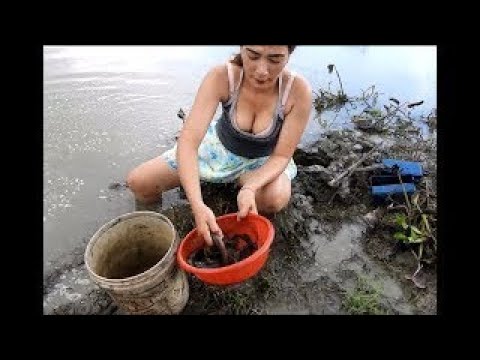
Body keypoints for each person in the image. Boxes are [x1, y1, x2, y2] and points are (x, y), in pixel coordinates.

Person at [127, 45, 312, 247]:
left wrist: (251, 187)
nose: (261, 71)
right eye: (253, 56)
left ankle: (244, 184)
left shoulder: (297, 91)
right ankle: (152, 229)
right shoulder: (223, 77)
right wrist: (197, 205)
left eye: (275, 60)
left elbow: (282, 156)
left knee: (274, 198)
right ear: (241, 49)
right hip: (220, 150)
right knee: (139, 182)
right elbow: (188, 143)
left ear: (288, 56)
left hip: (265, 159)